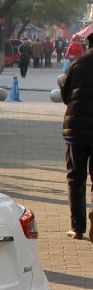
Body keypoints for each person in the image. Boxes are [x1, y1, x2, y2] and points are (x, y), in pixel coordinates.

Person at [60, 33, 93, 239]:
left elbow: (65, 95)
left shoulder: (77, 64)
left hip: (77, 131)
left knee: (76, 178)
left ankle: (77, 227)